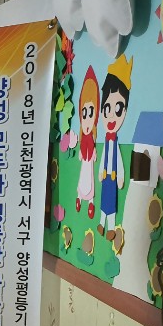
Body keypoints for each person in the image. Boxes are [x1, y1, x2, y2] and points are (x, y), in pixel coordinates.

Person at [98, 55, 132, 240]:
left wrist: (120, 177)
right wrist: (99, 172)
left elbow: (118, 160)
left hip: (112, 178)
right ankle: (101, 223)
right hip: (105, 177)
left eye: (118, 109)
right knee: (103, 200)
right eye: (107, 109)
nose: (111, 116)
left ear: (124, 110)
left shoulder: (115, 143)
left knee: (111, 202)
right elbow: (104, 156)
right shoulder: (106, 141)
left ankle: (110, 227)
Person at [76, 66, 99, 220]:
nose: (87, 118)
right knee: (82, 179)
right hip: (85, 160)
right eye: (84, 113)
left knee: (90, 180)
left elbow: (94, 155)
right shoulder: (82, 139)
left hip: (89, 161)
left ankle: (90, 202)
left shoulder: (92, 138)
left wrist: (93, 152)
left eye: (90, 113)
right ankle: (79, 197)